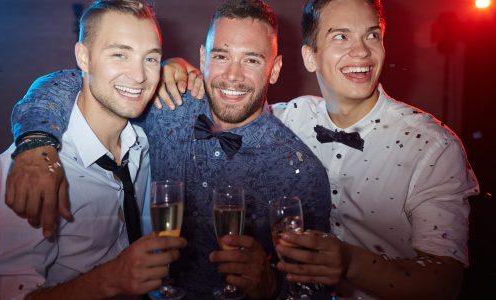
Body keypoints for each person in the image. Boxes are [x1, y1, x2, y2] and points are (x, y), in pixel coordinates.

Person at [100, 0, 481, 299]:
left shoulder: (431, 145)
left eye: (371, 36)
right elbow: (88, 89)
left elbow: (445, 283)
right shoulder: (290, 114)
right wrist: (162, 70)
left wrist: (333, 266)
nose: (360, 52)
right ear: (310, 56)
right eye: (341, 36)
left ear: (276, 69)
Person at [4, 0, 332, 299]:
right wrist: (36, 142)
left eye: (251, 60)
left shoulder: (299, 172)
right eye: (221, 55)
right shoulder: (166, 106)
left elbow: (314, 288)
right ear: (202, 59)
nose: (233, 75)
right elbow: (78, 83)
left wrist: (272, 287)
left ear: (273, 69)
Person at [0, 1, 187, 299]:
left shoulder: (145, 144)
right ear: (83, 57)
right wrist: (110, 280)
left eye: (150, 59)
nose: (139, 75)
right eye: (119, 54)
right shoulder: (30, 170)